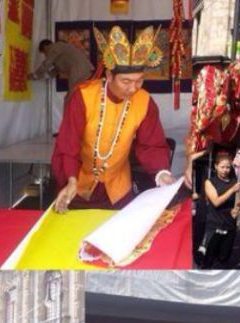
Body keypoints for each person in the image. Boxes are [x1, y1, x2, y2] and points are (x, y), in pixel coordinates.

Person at [51, 25, 179, 214]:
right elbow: (68, 144)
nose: (133, 88)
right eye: (126, 81)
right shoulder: (83, 97)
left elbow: (151, 144)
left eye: (139, 80)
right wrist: (70, 178)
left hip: (118, 189)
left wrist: (162, 174)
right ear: (109, 76)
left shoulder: (144, 101)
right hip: (78, 185)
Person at [201, 151, 240, 269]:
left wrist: (237, 209)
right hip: (214, 224)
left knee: (223, 258)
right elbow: (216, 202)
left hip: (229, 224)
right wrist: (232, 190)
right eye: (222, 167)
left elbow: (238, 201)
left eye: (228, 167)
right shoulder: (210, 182)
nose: (225, 170)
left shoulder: (235, 183)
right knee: (208, 257)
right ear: (216, 166)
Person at [30, 39, 94, 106]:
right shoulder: (60, 50)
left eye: (44, 52)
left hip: (79, 70)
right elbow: (56, 70)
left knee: (71, 98)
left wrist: (35, 75)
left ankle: (70, 115)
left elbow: (47, 63)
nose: (45, 55)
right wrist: (41, 76)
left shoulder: (54, 47)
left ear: (45, 47)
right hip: (85, 70)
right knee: (78, 97)